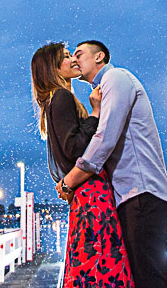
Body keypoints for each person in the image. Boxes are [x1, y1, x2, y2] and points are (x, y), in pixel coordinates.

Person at [57, 41, 167, 288]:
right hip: (129, 196)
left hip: (142, 192)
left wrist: (71, 180)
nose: (75, 60)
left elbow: (105, 138)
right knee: (140, 277)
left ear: (99, 56)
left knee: (149, 278)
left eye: (79, 54)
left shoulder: (116, 77)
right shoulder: (103, 88)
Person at [30, 42, 133, 288]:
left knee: (88, 263)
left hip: (82, 195)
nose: (73, 61)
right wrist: (96, 112)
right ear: (53, 69)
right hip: (92, 194)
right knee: (104, 261)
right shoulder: (62, 97)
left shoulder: (53, 102)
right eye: (66, 57)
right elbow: (75, 148)